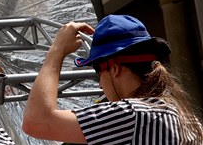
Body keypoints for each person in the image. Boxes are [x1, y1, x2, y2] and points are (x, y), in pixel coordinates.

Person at [22, 14, 203, 144]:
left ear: (114, 68)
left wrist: (57, 50)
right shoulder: (190, 121)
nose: (100, 84)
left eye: (98, 73)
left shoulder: (132, 114)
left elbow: (36, 122)